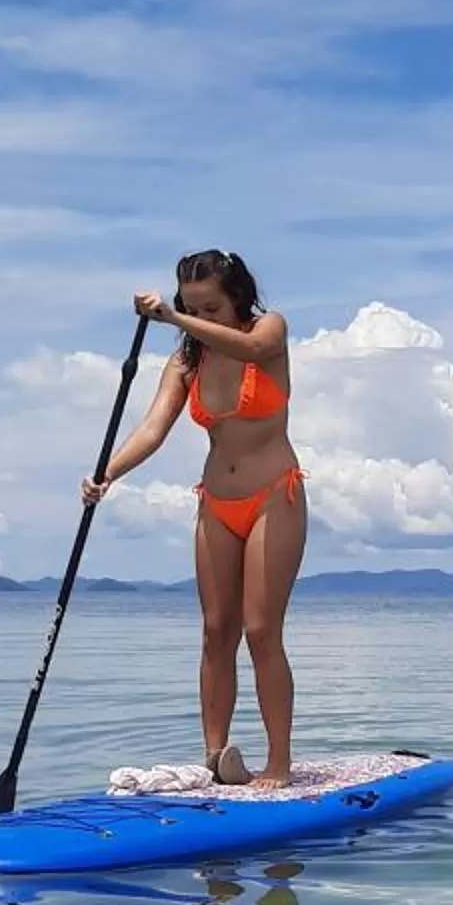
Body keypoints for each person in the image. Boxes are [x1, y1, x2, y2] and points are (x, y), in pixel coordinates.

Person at [82, 249, 306, 784]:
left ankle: (279, 762)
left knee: (259, 629)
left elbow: (253, 345)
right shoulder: (186, 363)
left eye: (212, 309)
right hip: (216, 502)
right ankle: (216, 758)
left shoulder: (267, 330)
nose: (203, 320)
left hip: (274, 495)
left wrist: (173, 319)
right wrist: (106, 474)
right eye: (193, 309)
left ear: (237, 299)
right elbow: (152, 429)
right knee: (215, 631)